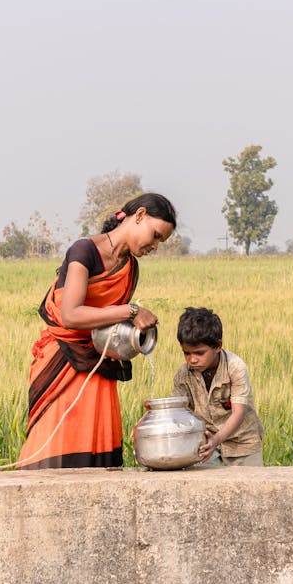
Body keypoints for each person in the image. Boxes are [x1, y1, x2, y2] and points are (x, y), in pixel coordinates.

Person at [17, 193, 176, 469]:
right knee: (56, 445)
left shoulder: (130, 267)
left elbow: (108, 323)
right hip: (64, 363)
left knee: (99, 453)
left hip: (99, 365)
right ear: (138, 216)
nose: (155, 246)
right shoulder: (84, 251)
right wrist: (132, 311)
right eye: (155, 235)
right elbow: (71, 315)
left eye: (161, 241)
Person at [169, 307, 265, 466]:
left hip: (243, 444)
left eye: (199, 353)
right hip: (207, 447)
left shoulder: (235, 367)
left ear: (218, 346)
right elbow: (176, 410)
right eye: (187, 353)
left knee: (250, 488)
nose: (192, 360)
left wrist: (217, 440)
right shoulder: (183, 374)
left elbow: (238, 412)